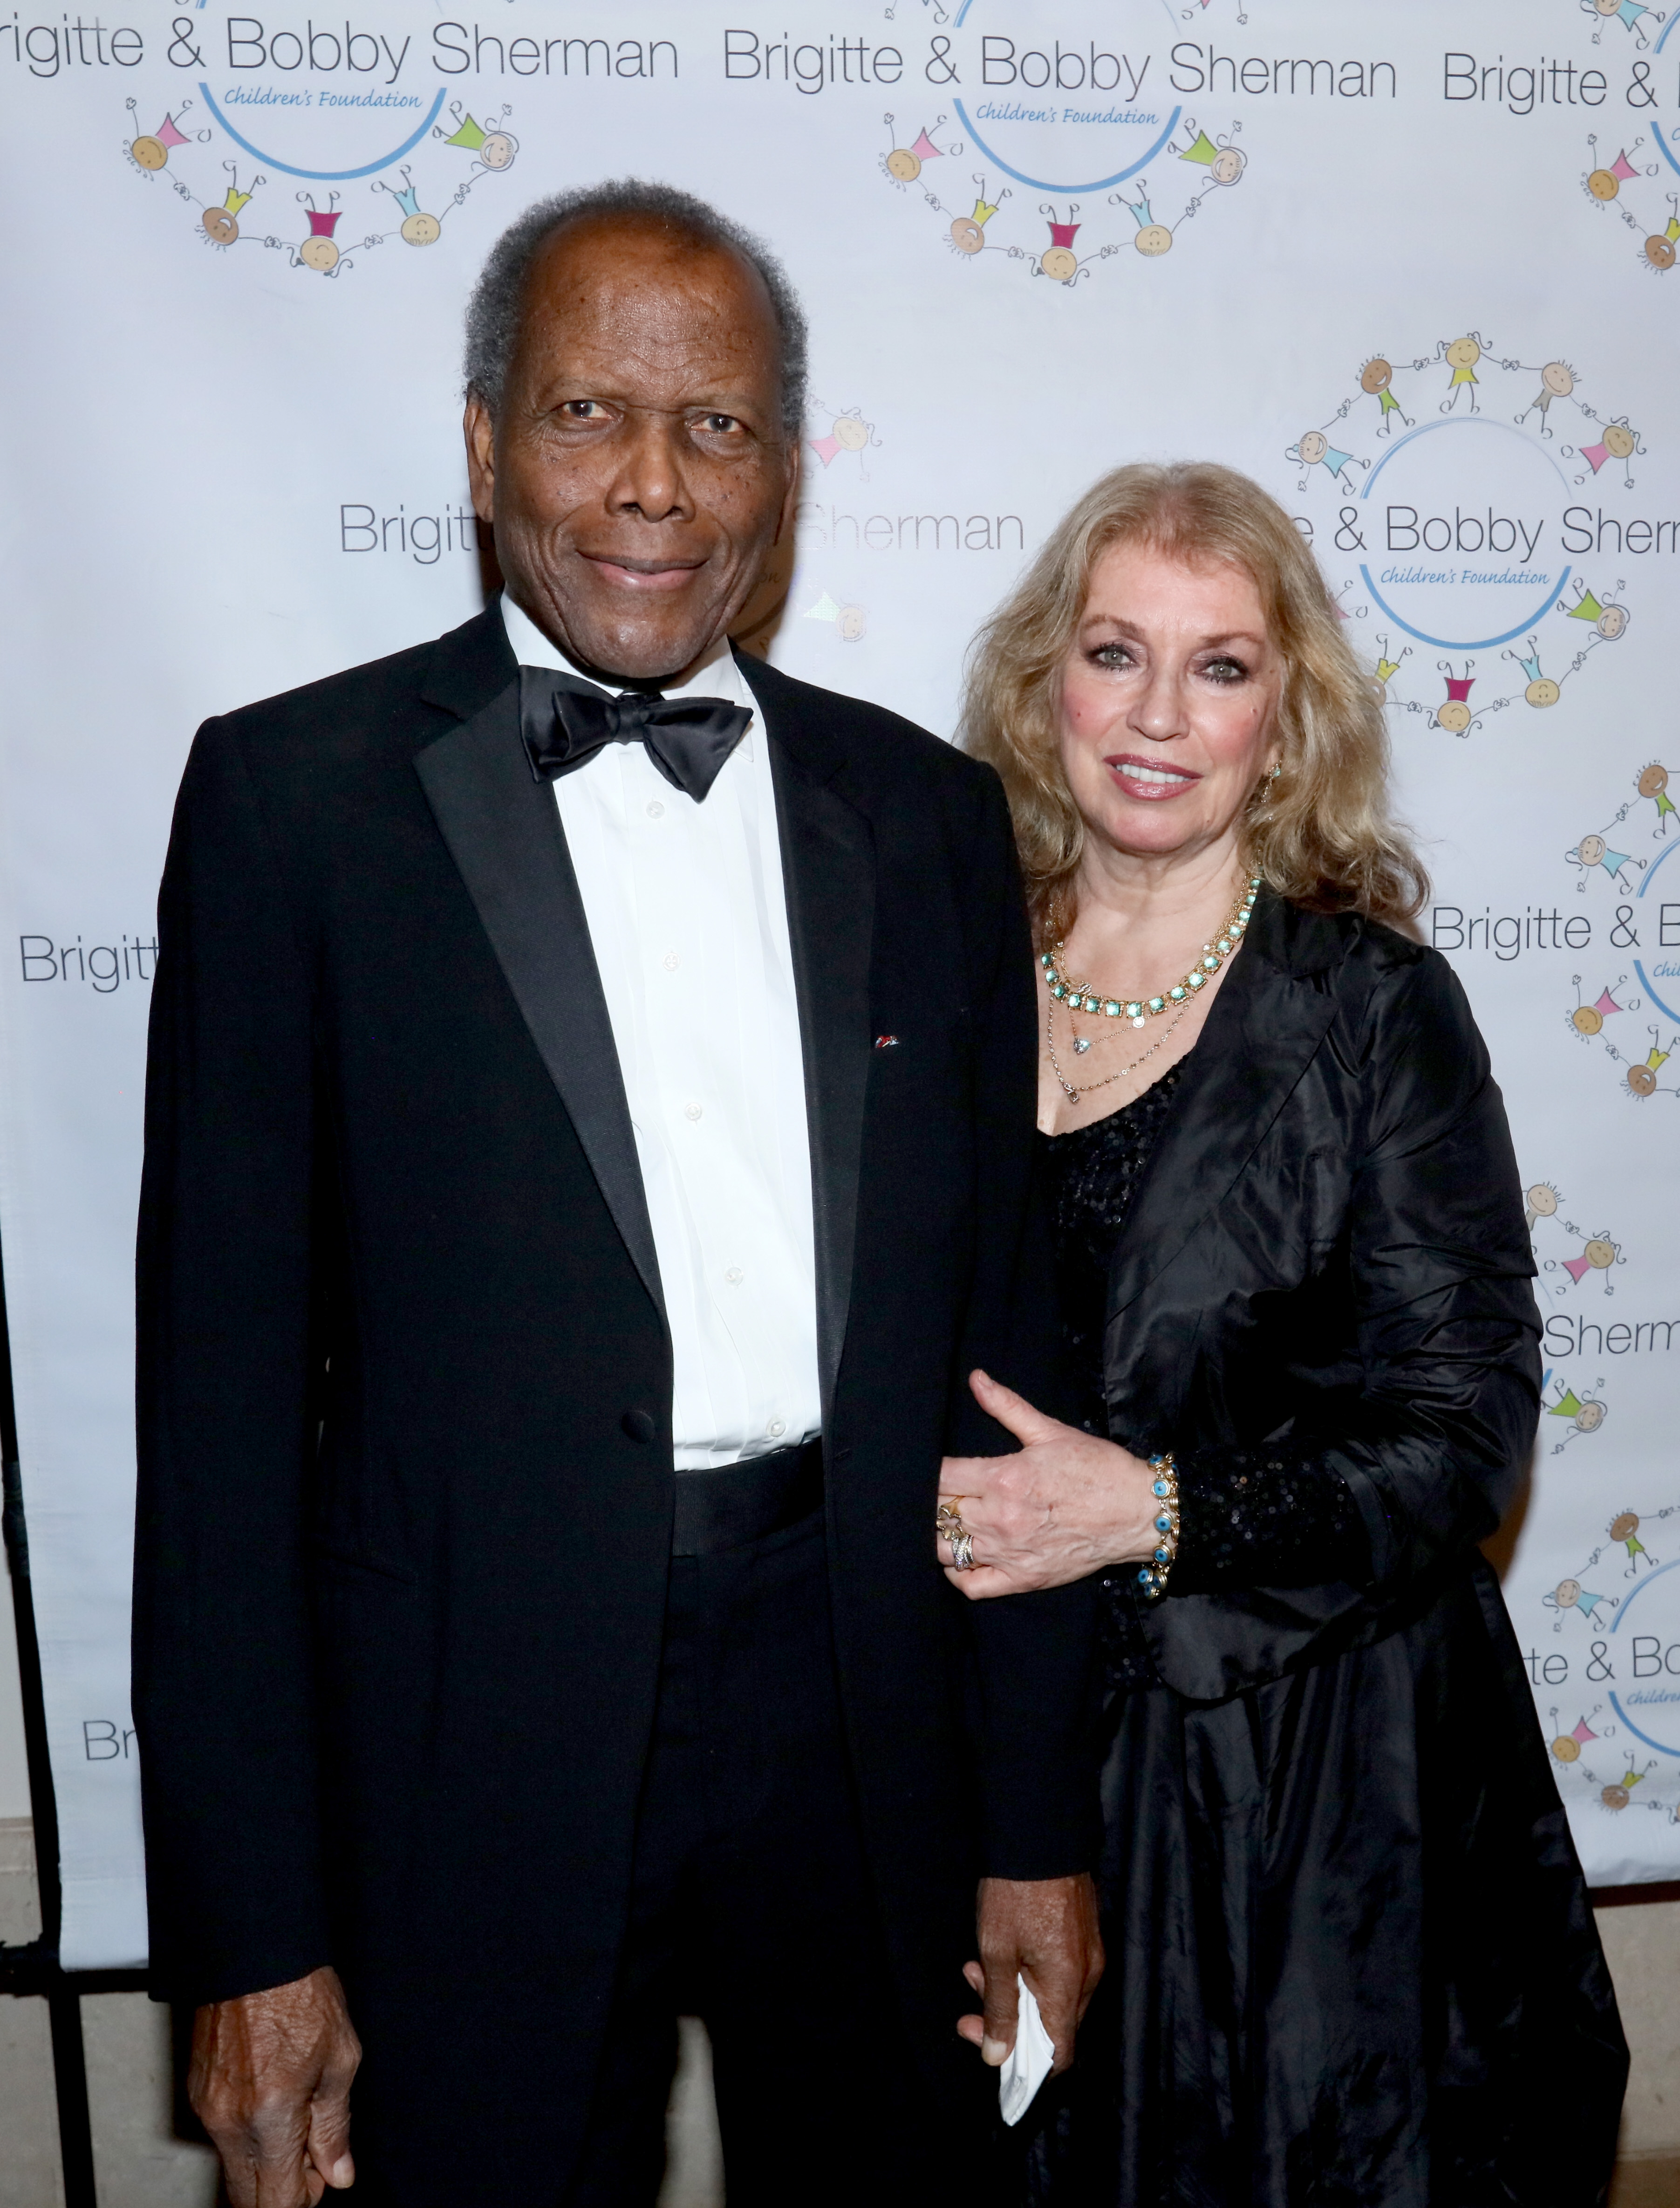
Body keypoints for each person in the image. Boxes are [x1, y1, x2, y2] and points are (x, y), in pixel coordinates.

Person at [132, 180, 1104, 2208]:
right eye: (587, 414)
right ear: (484, 444)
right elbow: (215, 1428)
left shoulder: (927, 820)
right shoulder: (292, 805)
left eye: (716, 425)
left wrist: (1033, 1820)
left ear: (786, 475)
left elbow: (1008, 1360)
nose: (653, 483)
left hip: (862, 1711)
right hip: (462, 1738)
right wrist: (250, 1931)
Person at [936, 464, 1629, 2203]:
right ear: (1044, 679)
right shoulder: (936, 976)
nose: (1158, 716)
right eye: (1116, 652)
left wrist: (1154, 1509)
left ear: (1286, 715)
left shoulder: (1371, 1008)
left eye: (1221, 667)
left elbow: (1463, 1437)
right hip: (1006, 1758)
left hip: (1309, 1795)